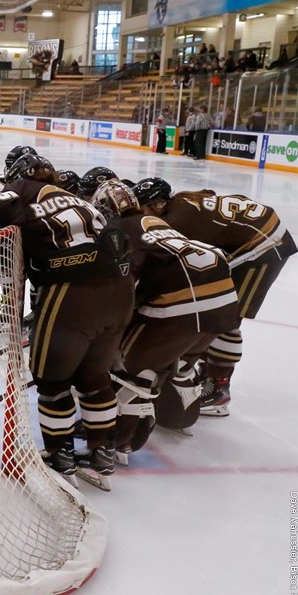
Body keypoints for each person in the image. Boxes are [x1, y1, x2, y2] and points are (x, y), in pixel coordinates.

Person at [0, 154, 134, 491]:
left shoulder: (23, 189)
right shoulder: (75, 198)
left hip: (71, 292)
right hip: (119, 291)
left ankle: (60, 456)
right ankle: (102, 456)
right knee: (95, 379)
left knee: (52, 383)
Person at [91, 181, 238, 463]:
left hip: (179, 309)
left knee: (130, 371)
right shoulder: (156, 222)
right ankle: (182, 410)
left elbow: (123, 286)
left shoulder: (116, 230)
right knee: (176, 362)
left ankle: (112, 450)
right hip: (224, 307)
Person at [135, 179, 297, 418]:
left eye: (142, 207)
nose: (139, 213)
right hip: (259, 233)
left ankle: (219, 388)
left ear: (157, 204)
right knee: (217, 308)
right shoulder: (180, 205)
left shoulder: (178, 221)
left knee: (226, 318)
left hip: (265, 245)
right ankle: (211, 373)